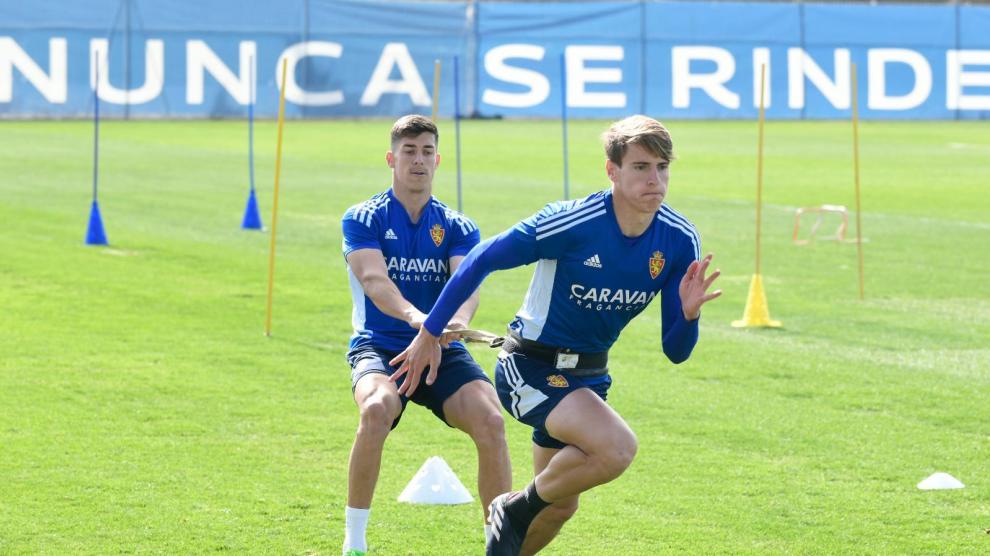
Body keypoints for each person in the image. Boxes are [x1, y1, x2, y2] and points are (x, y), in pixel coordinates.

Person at [390, 115, 722, 555]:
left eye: (662, 167)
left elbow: (675, 352)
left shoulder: (679, 240)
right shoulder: (571, 222)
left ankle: (513, 522)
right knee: (617, 448)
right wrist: (429, 332)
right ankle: (514, 507)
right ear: (612, 170)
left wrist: (688, 315)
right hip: (530, 367)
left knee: (560, 508)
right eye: (641, 167)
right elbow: (481, 258)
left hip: (589, 379)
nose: (655, 180)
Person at [340, 115, 511, 556]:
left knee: (492, 422)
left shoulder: (458, 225)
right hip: (381, 346)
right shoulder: (363, 218)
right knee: (377, 409)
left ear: (438, 159)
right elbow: (375, 282)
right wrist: (423, 322)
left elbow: (466, 288)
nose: (419, 160)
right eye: (410, 151)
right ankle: (354, 544)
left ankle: (499, 546)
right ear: (391, 158)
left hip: (441, 349)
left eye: (427, 151)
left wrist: (448, 326)